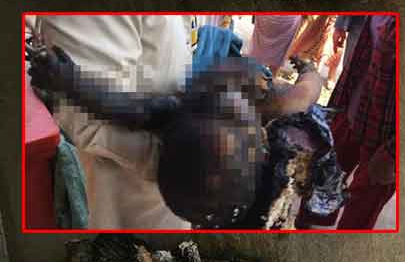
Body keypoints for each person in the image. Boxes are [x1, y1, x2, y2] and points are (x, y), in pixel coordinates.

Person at [28, 39, 330, 228]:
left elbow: (121, 107)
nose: (233, 98)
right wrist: (309, 70)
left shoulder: (176, 114)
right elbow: (304, 95)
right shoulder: (278, 154)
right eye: (234, 113)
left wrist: (68, 81)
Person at [33, 15, 192, 229]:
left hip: (165, 190)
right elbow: (101, 121)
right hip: (139, 194)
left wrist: (71, 82)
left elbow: (142, 113)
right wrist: (72, 82)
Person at [306, 14, 395, 230]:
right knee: (319, 189)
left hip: (385, 141)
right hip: (351, 112)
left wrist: (394, 153)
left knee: (356, 220)